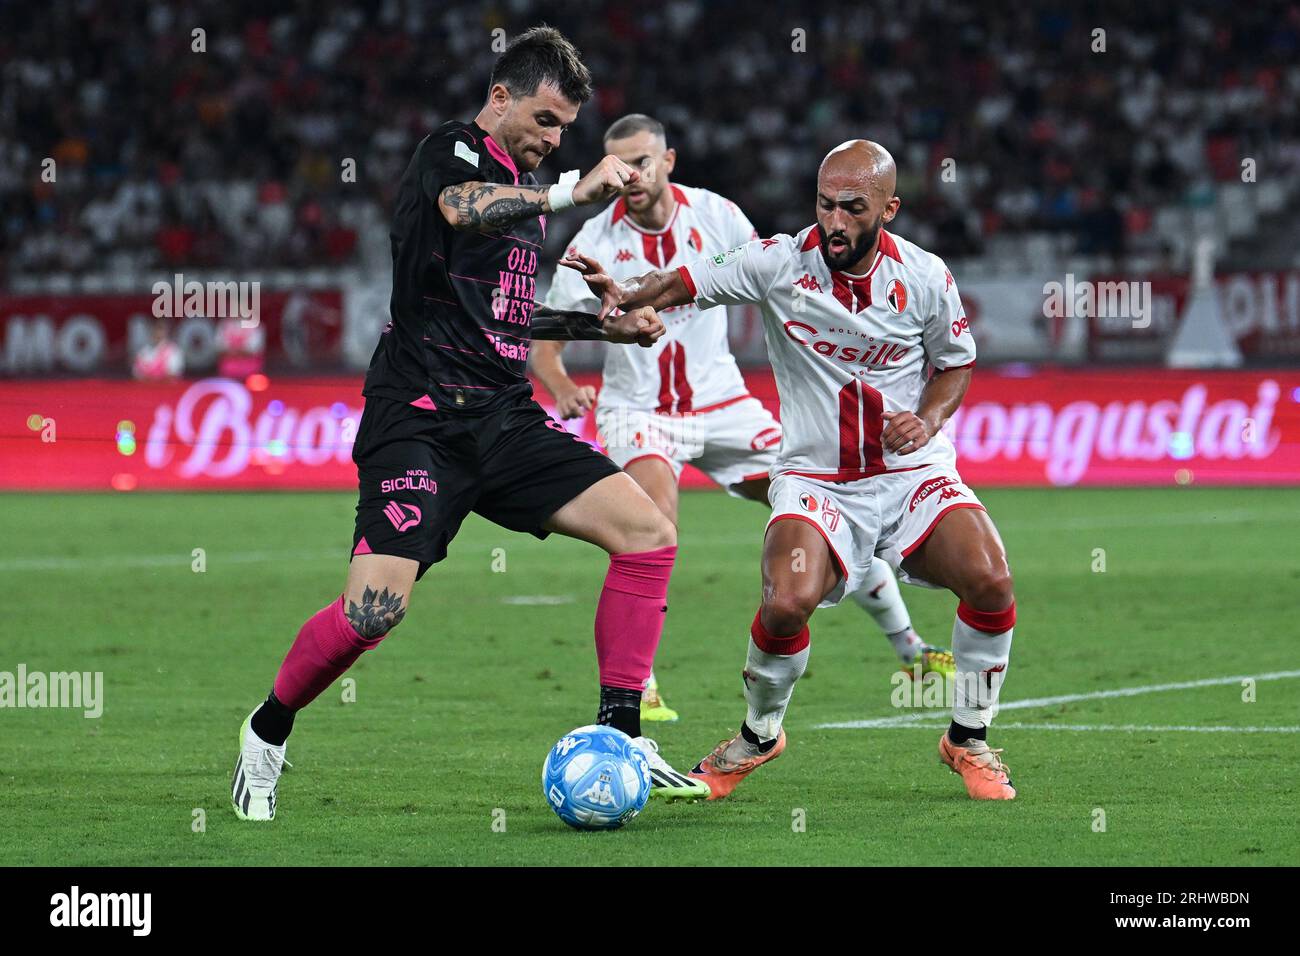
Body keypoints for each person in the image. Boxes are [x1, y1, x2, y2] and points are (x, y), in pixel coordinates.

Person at [231, 27, 711, 822]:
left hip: (502, 417)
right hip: (418, 419)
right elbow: (463, 209)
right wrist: (567, 195)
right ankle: (266, 730)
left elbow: (504, 318)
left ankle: (623, 736)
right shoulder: (450, 155)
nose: (555, 142)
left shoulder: (528, 189)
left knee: (647, 532)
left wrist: (607, 329)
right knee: (371, 614)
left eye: (565, 130)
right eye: (547, 121)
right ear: (500, 99)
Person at [563, 140, 1018, 801]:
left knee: (991, 581)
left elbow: (955, 362)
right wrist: (625, 291)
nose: (834, 222)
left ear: (888, 208)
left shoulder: (925, 276)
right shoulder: (778, 261)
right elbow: (683, 279)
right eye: (825, 204)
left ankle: (969, 739)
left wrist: (927, 417)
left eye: (853, 208)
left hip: (910, 472)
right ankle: (758, 735)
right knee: (786, 604)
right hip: (815, 479)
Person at [535, 114, 952, 723]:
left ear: (668, 161)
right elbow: (544, 343)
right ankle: (639, 683)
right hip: (641, 412)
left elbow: (769, 275)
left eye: (642, 161)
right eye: (619, 165)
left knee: (830, 511)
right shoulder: (591, 245)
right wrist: (564, 386)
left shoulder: (717, 216)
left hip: (724, 404)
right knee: (653, 525)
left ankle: (910, 648)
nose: (631, 176)